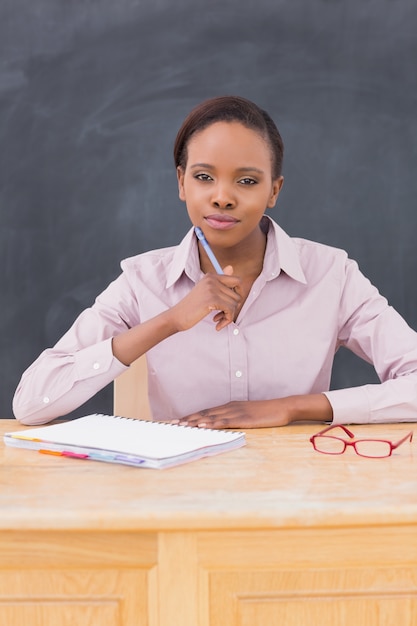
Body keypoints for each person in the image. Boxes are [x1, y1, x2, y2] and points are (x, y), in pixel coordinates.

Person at [13, 95, 417, 428]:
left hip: (296, 492)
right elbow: (31, 404)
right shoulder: (141, 281)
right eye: (204, 177)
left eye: (246, 181)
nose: (222, 196)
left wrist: (293, 406)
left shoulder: (332, 275)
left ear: (273, 190)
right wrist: (170, 320)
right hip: (180, 491)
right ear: (181, 183)